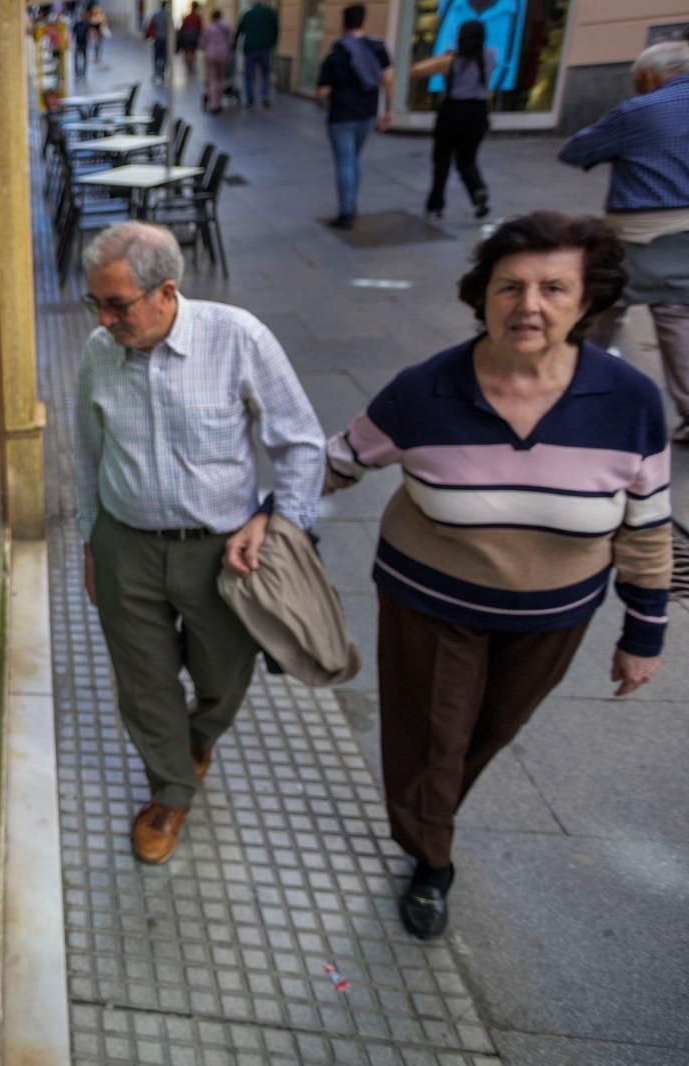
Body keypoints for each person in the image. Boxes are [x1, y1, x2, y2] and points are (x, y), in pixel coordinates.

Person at [325, 212, 669, 939]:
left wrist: (644, 632)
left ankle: (433, 811)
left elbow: (647, 525)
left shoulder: (630, 403)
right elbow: (340, 459)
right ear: (482, 296)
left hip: (553, 616)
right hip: (432, 602)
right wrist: (261, 508)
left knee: (489, 730)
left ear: (589, 301)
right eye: (510, 286)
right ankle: (431, 859)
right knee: (431, 737)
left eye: (554, 287)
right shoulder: (424, 392)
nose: (530, 305)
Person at [75, 222, 324, 866]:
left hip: (221, 550)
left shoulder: (237, 337)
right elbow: (86, 455)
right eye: (95, 303)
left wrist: (281, 525)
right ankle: (171, 786)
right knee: (143, 682)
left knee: (223, 674)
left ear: (165, 291)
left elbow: (300, 442)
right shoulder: (99, 352)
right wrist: (90, 544)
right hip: (125, 544)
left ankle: (200, 735)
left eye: (117, 304)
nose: (104, 320)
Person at [560, 41, 689, 443]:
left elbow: (576, 150)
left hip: (641, 232)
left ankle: (580, 394)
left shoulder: (637, 111)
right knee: (677, 319)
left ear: (649, 77)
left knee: (600, 309)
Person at [316, 3, 393, 230]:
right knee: (355, 158)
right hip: (367, 112)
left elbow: (323, 91)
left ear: (343, 23)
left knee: (345, 162)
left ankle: (346, 211)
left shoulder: (336, 52)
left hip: (341, 115)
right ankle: (352, 203)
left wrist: (321, 101)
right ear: (363, 22)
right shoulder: (377, 47)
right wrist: (388, 110)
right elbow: (388, 80)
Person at [412, 18, 495, 220]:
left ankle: (436, 205)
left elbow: (417, 70)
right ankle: (477, 191)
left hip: (453, 112)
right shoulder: (490, 56)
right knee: (467, 160)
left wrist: (443, 56)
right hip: (478, 112)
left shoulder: (451, 61)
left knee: (442, 160)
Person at [235, 0, 279, 109]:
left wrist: (235, 44)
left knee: (249, 75)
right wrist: (273, 43)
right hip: (265, 47)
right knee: (265, 73)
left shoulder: (248, 14)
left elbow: (240, 31)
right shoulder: (269, 13)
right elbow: (276, 29)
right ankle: (264, 95)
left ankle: (250, 100)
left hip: (250, 48)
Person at [201, 10, 233, 113]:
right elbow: (230, 41)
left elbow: (203, 42)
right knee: (220, 79)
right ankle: (219, 102)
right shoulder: (226, 26)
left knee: (212, 79)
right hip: (223, 55)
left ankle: (213, 104)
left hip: (211, 55)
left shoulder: (208, 28)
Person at [145, 2, 170, 82]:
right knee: (164, 56)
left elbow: (150, 25)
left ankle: (156, 72)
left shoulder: (156, 15)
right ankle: (162, 72)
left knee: (156, 56)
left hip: (157, 38)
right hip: (165, 38)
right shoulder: (168, 16)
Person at [177, 3, 203, 76]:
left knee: (187, 51)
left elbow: (183, 27)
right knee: (193, 51)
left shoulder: (187, 17)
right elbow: (200, 28)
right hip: (194, 35)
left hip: (187, 35)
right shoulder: (198, 17)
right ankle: (191, 65)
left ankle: (189, 65)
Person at [72, 7, 93, 78]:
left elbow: (89, 33)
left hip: (84, 43)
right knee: (76, 58)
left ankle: (83, 72)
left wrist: (90, 40)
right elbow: (73, 33)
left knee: (84, 58)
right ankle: (77, 71)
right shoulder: (77, 24)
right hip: (78, 43)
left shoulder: (86, 24)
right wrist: (72, 43)